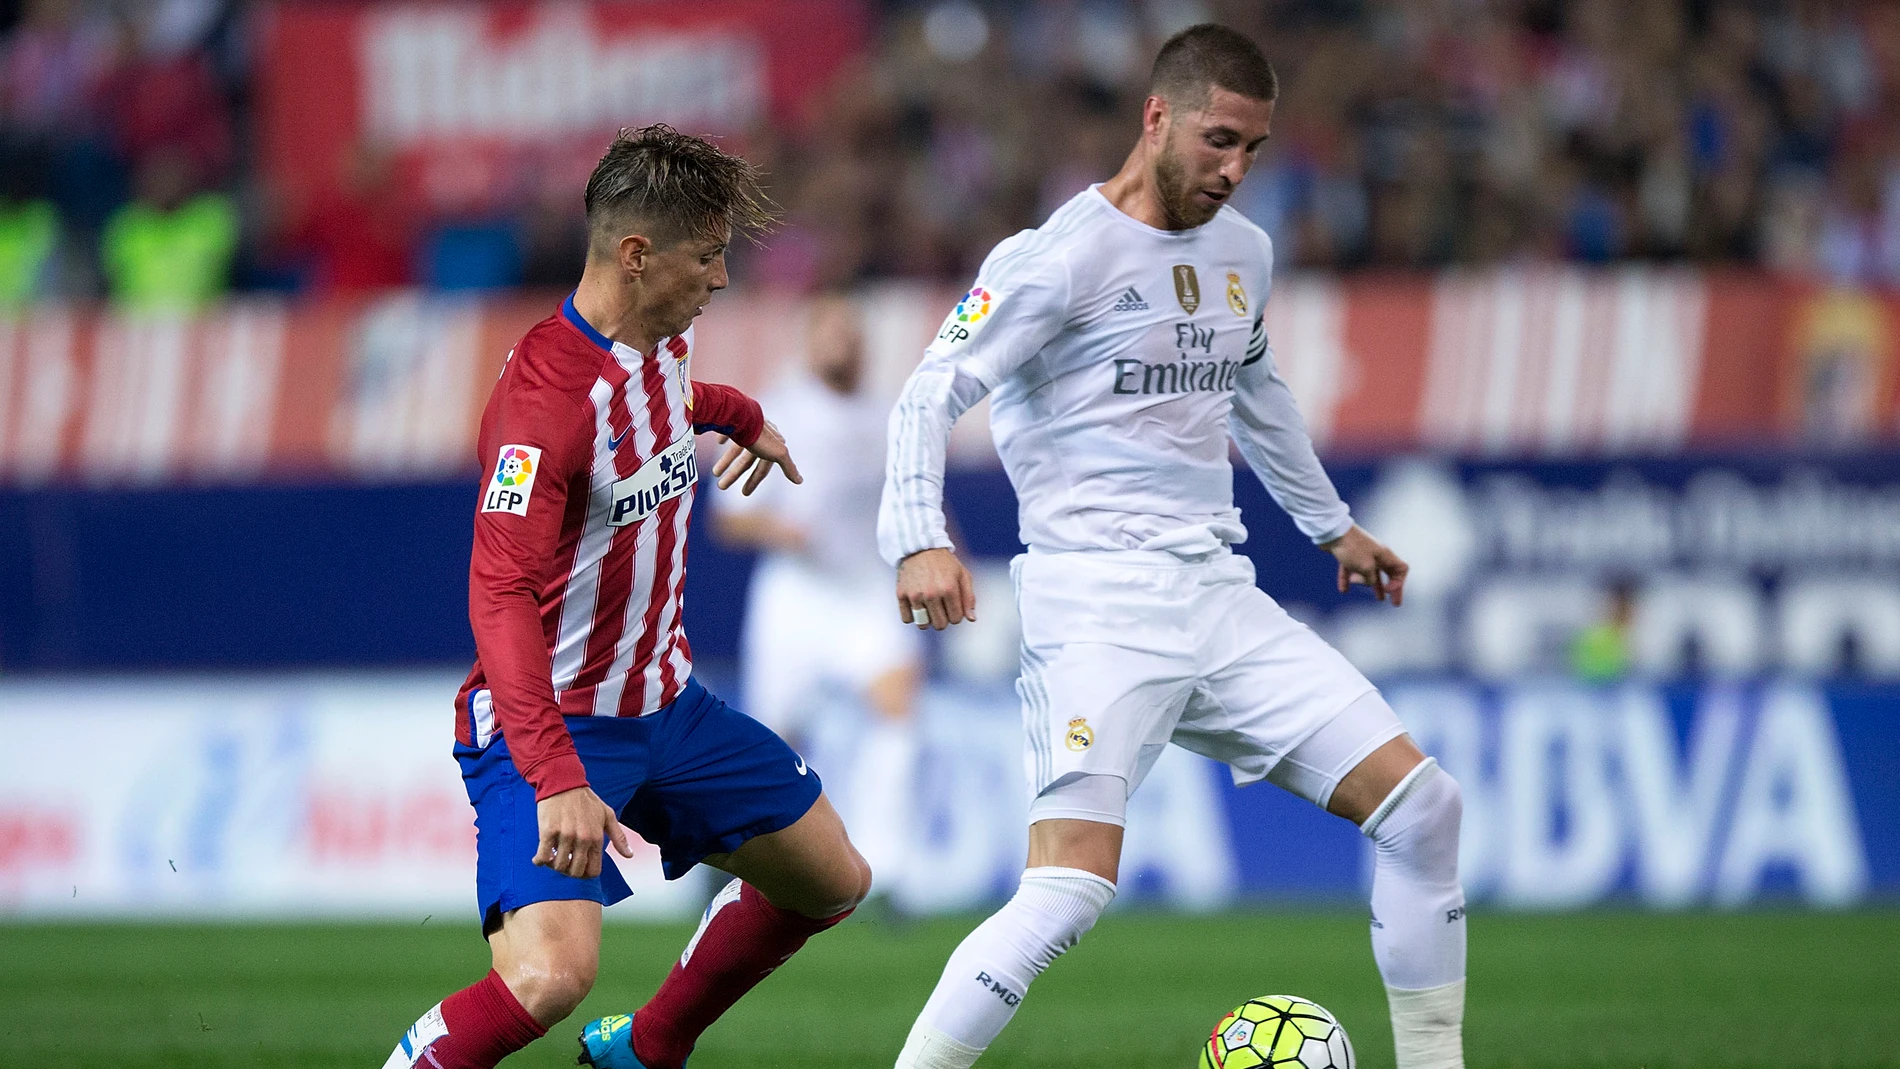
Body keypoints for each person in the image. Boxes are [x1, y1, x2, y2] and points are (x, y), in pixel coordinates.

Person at [877, 25, 1466, 1069]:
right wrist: (918, 537)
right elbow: (931, 392)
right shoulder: (1054, 260)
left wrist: (1332, 525)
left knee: (1423, 808)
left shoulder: (1246, 252)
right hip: (1098, 608)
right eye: (1218, 140)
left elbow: (1258, 391)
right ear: (1156, 117)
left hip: (1219, 596)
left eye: (1253, 149)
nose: (1235, 171)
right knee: (1065, 890)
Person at [380, 125, 872, 1069]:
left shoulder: (658, 337)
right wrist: (557, 773)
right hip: (554, 724)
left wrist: (742, 416)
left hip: (669, 706)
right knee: (547, 980)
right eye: (708, 255)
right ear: (637, 256)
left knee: (831, 880)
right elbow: (498, 596)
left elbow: (665, 399)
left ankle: (647, 1049)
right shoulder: (541, 406)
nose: (722, 278)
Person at [713, 292, 925, 895]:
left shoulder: (886, 417)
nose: (845, 344)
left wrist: (943, 554)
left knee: (898, 713)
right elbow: (727, 519)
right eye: (832, 332)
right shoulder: (775, 415)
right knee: (776, 738)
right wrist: (781, 528)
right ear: (808, 343)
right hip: (797, 593)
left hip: (865, 591)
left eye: (852, 332)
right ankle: (744, 858)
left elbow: (912, 499)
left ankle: (888, 872)